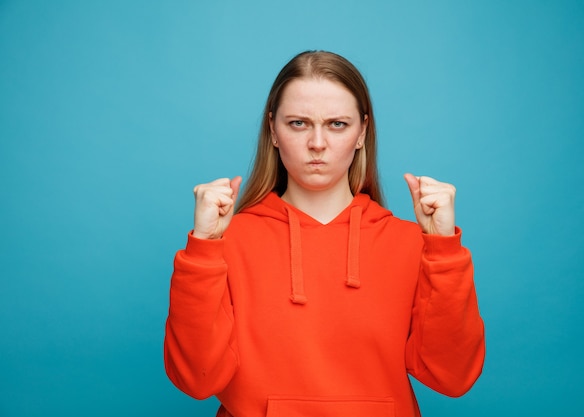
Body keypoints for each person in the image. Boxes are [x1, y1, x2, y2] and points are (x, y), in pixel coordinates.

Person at [164, 50, 485, 417]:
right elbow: (195, 380)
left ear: (362, 132)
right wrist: (204, 250)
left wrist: (443, 252)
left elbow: (454, 377)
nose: (317, 143)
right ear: (273, 130)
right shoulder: (227, 242)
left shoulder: (410, 243)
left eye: (337, 124)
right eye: (299, 123)